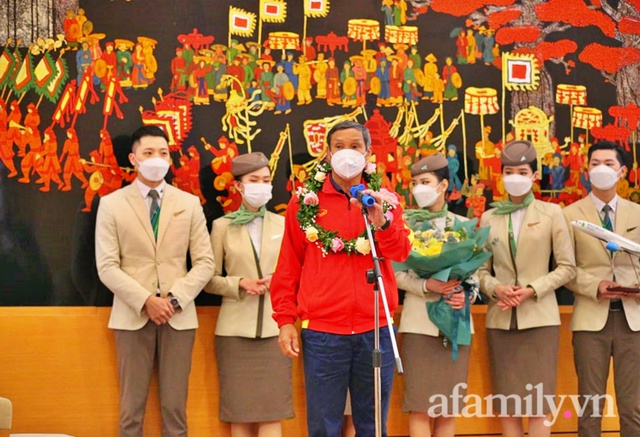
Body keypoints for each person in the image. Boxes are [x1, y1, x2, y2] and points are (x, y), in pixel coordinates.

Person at [271, 121, 412, 436]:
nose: (347, 153)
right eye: (339, 146)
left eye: (355, 146)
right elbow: (288, 266)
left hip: (375, 328)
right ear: (328, 151)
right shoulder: (304, 202)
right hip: (323, 333)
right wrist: (284, 320)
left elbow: (402, 252)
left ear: (368, 152)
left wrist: (382, 223)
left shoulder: (385, 200)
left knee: (373, 425)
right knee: (323, 426)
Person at [95, 125, 215, 436]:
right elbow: (107, 266)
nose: (156, 159)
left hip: (178, 315)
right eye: (148, 153)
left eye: (163, 153)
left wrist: (173, 300)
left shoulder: (188, 204)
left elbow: (204, 263)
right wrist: (147, 300)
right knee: (131, 411)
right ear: (134, 158)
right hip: (132, 314)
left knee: (175, 411)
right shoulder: (111, 204)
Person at [477, 140, 576, 437]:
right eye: (509, 171)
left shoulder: (551, 213)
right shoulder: (489, 217)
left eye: (522, 171)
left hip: (540, 318)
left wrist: (533, 288)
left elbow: (567, 267)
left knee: (538, 401)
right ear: (501, 175)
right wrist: (496, 288)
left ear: (534, 175)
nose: (515, 176)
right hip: (501, 319)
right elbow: (481, 270)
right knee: (508, 401)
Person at [205, 152, 293, 437]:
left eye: (266, 180)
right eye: (254, 180)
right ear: (239, 186)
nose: (261, 186)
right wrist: (239, 283)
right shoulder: (222, 226)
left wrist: (277, 279)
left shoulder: (284, 224)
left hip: (275, 329)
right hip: (234, 331)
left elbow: (299, 274)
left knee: (272, 412)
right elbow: (209, 279)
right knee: (239, 413)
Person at [563, 141, 640, 437]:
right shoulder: (569, 215)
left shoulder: (636, 212)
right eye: (595, 164)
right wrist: (594, 285)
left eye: (608, 164)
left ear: (622, 171)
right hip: (590, 319)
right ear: (586, 170)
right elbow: (564, 268)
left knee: (633, 407)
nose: (600, 169)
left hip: (632, 321)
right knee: (590, 406)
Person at [396, 154, 473, 437]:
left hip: (455, 325)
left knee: (448, 406)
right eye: (415, 183)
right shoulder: (403, 226)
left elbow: (475, 275)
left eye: (425, 182)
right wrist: (428, 286)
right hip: (419, 324)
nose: (419, 188)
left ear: (442, 186)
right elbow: (395, 274)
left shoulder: (464, 226)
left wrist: (465, 294)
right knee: (420, 405)